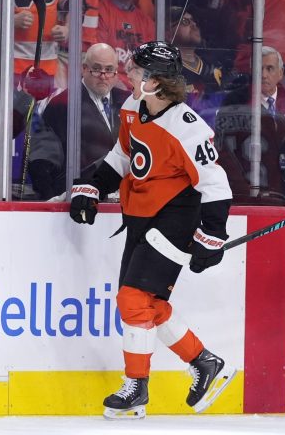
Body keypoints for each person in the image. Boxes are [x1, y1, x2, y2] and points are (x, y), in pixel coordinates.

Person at [68, 41, 235, 419]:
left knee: (131, 300)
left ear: (156, 82)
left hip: (175, 219)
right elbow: (124, 156)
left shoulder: (188, 128)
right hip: (141, 215)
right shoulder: (133, 106)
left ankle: (136, 386)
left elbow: (215, 184)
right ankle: (205, 362)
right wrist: (94, 186)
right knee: (147, 304)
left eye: (137, 71)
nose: (128, 74)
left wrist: (212, 236)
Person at [28, 43, 128, 200]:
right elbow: (42, 161)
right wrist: (51, 203)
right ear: (84, 69)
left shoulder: (128, 101)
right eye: (97, 69)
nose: (103, 76)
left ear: (116, 71)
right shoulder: (61, 105)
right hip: (79, 198)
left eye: (109, 70)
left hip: (123, 197)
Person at [215, 47, 285, 201]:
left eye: (270, 68)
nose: (264, 75)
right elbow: (223, 150)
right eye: (259, 69)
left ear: (280, 73)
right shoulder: (235, 101)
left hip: (284, 195)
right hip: (244, 194)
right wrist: (242, 189)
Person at [97, 0, 155, 89]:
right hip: (108, 85)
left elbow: (150, 66)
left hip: (138, 89)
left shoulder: (147, 23)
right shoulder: (100, 11)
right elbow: (98, 60)